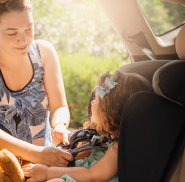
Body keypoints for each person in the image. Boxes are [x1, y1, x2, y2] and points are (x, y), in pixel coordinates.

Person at [0, 0, 72, 167]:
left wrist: (58, 125)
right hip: (3, 172)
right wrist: (40, 155)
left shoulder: (44, 52)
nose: (23, 40)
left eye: (28, 29)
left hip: (45, 164)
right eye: (12, 33)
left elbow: (59, 106)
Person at [23, 71, 152, 182]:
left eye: (96, 99)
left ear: (111, 112)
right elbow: (78, 156)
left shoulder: (118, 149)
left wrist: (47, 172)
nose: (92, 102)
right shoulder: (102, 137)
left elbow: (92, 176)